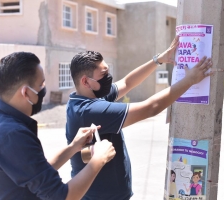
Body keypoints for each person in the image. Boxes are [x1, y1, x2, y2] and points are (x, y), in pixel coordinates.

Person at [66, 35, 213, 200]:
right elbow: (151, 107)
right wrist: (190, 80)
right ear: (86, 81)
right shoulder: (90, 110)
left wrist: (159, 59)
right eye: (103, 74)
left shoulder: (86, 97)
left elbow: (127, 83)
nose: (108, 77)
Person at [0, 52, 116, 200]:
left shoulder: (0, 122)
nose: (43, 89)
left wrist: (73, 147)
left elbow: (37, 172)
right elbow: (62, 196)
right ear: (26, 92)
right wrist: (99, 159)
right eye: (41, 85)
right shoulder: (12, 135)